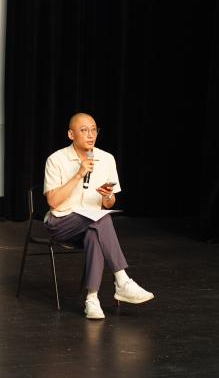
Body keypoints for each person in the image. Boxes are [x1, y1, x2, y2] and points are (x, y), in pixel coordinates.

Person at [43, 112, 154, 320]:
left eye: (94, 130)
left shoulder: (107, 159)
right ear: (71, 134)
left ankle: (92, 299)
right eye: (84, 130)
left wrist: (107, 196)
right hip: (61, 223)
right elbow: (53, 202)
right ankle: (122, 280)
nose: (90, 135)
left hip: (91, 225)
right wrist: (79, 174)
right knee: (101, 219)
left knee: (95, 230)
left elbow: (109, 203)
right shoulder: (56, 160)